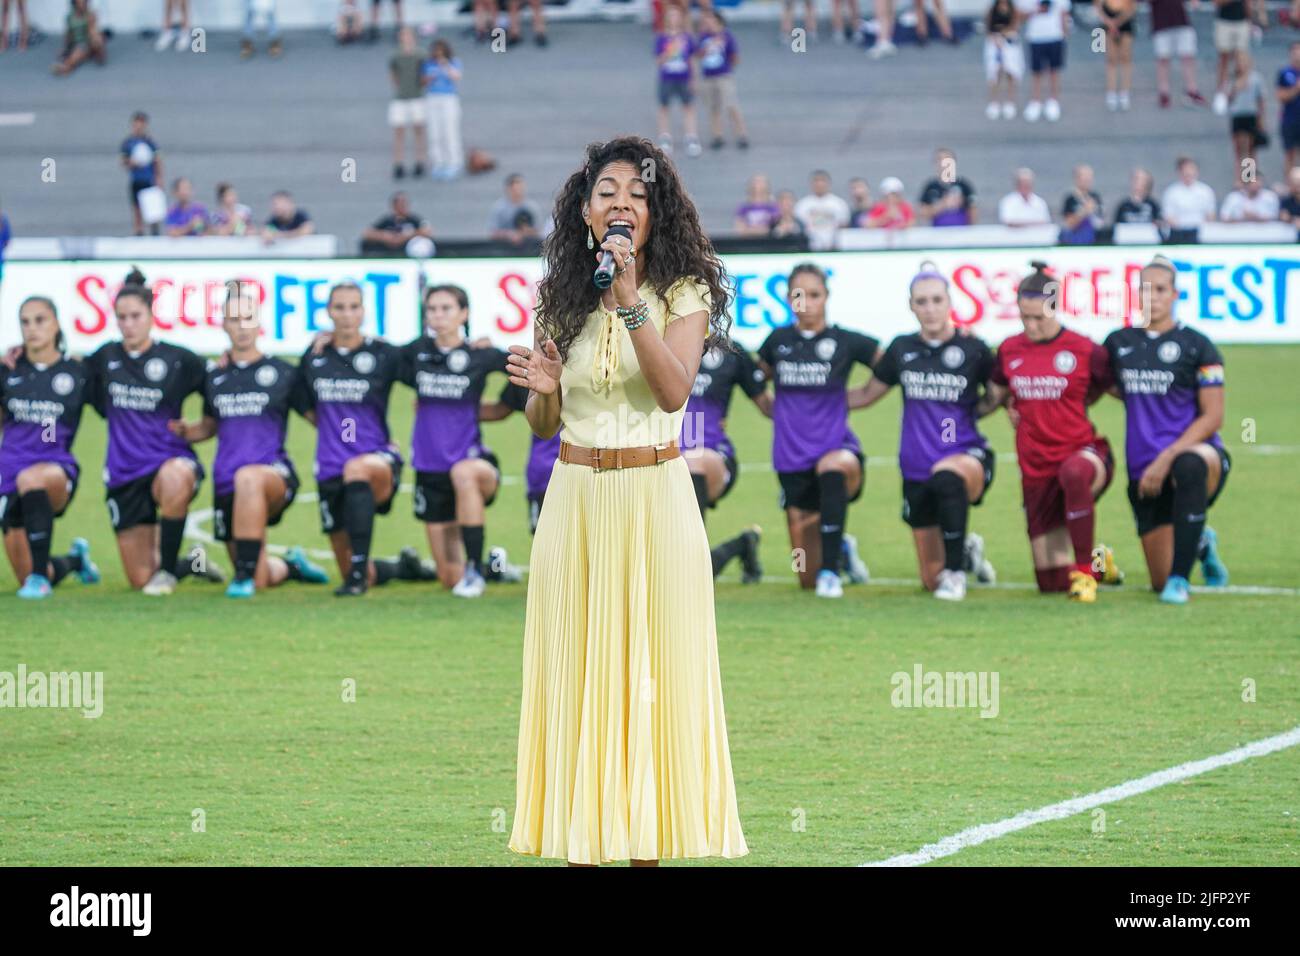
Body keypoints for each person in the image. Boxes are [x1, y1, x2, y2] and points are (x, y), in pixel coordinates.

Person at [507, 136, 747, 865]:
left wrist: (631, 299)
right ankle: (586, 847)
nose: (621, 204)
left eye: (637, 195)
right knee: (579, 683)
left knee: (650, 688)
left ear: (656, 212)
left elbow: (673, 390)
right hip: (573, 501)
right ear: (585, 214)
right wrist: (542, 396)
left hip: (655, 499)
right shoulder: (559, 299)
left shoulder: (685, 293)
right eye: (606, 193)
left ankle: (647, 846)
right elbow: (546, 424)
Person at [168, 285, 328, 597]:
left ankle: (241, 577)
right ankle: (290, 566)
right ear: (223, 325)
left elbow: (319, 419)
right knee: (260, 574)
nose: (241, 326)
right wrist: (186, 431)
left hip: (272, 475)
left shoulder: (283, 373)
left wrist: (356, 432)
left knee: (250, 478)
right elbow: (210, 425)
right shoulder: (215, 376)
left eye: (248, 318)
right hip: (226, 480)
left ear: (259, 323)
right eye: (233, 319)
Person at [850, 265, 998, 601]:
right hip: (915, 465)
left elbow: (997, 395)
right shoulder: (902, 349)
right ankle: (967, 552)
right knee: (931, 579)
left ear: (949, 302)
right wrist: (812, 405)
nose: (930, 308)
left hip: (965, 455)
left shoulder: (974, 349)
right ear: (911, 306)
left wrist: (978, 412)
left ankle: (957, 574)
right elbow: (867, 394)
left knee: (948, 478)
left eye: (936, 300)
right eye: (922, 302)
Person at [982, 261, 1123, 601]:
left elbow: (1118, 389)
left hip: (1083, 453)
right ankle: (1101, 562)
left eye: (1038, 318)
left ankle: (1087, 577)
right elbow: (995, 396)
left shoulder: (1085, 350)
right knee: (1050, 584)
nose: (1030, 325)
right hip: (1035, 467)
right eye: (1024, 317)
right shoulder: (1009, 350)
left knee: (1074, 474)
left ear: (1055, 308)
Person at [1095, 256, 1230, 604]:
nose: (1151, 297)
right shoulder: (1118, 343)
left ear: (1175, 294)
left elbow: (1213, 417)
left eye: (1160, 290)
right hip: (1143, 467)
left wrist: (1168, 456)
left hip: (1196, 456)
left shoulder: (1199, 346)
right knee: (1157, 577)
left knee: (1188, 466)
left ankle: (1180, 583)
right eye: (1144, 290)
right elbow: (1096, 385)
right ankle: (1199, 541)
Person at [83, 268, 225, 594]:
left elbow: (219, 385)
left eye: (135, 316)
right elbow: (78, 388)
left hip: (169, 459)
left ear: (151, 315)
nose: (128, 324)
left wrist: (201, 429)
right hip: (124, 471)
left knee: (175, 478)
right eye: (121, 317)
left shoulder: (178, 359)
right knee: (139, 579)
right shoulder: (104, 358)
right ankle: (191, 562)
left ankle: (169, 576)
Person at [755, 263, 878, 598]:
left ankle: (831, 571)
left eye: (814, 294)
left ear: (827, 297)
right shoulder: (777, 342)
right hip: (790, 457)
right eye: (798, 295)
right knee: (802, 572)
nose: (806, 302)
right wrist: (771, 409)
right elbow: (751, 379)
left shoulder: (846, 341)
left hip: (837, 451)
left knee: (833, 468)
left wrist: (858, 398)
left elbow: (894, 365)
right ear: (786, 298)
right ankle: (840, 550)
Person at [399, 284, 519, 597]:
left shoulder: (480, 354)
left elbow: (520, 374)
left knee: (463, 474)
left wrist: (500, 409)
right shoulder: (416, 352)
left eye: (446, 308)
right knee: (447, 578)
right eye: (433, 309)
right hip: (429, 467)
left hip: (473, 464)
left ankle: (475, 572)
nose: (438, 315)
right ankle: (493, 566)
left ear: (463, 314)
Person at [295, 283, 405, 596]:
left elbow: (426, 367)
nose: (347, 314)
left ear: (364, 311)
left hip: (376, 461)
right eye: (339, 307)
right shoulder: (315, 357)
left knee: (357, 468)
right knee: (355, 568)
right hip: (330, 464)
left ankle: (357, 581)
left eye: (354, 306)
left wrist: (473, 342)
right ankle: (402, 567)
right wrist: (332, 427)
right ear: (328, 312)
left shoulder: (383, 353)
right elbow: (295, 397)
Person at [0, 296, 100, 599]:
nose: (33, 328)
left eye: (40, 320)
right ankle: (73, 560)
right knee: (25, 573)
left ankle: (40, 580)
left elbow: (118, 408)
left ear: (56, 323)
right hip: (9, 474)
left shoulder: (78, 372)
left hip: (55, 470)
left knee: (32, 479)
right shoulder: (8, 370)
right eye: (26, 322)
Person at [680, 343, 766, 582]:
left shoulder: (732, 353)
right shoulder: (654, 339)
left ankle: (690, 560)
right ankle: (741, 544)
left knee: (691, 462)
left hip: (711, 456)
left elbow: (767, 405)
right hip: (661, 452)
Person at [481, 381, 561, 535]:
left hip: (547, 470)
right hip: (547, 473)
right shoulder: (538, 368)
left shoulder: (538, 366)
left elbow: (501, 410)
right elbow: (502, 409)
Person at [695, 9, 748, 150]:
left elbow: (735, 57)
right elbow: (698, 55)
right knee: (713, 107)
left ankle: (741, 134)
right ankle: (717, 135)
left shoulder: (727, 36)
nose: (707, 23)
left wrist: (727, 69)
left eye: (710, 20)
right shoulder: (703, 37)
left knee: (731, 105)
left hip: (723, 76)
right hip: (708, 77)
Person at [655, 4, 701, 158]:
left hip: (684, 77)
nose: (674, 19)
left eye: (676, 16)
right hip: (667, 78)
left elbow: (692, 59)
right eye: (671, 16)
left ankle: (691, 137)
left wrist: (694, 79)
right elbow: (659, 61)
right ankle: (665, 138)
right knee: (664, 108)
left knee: (688, 107)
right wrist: (671, 50)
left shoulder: (687, 37)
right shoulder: (662, 38)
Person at [1017, 0, 1069, 123]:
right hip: (1035, 36)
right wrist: (1034, 10)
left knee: (1054, 71)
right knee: (1036, 72)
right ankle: (1035, 101)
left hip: (1055, 35)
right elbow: (1019, 14)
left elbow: (1064, 13)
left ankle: (1053, 101)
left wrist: (1064, 33)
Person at [1149, 0, 1207, 109]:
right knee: (1163, 58)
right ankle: (1164, 92)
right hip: (1161, 21)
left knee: (1188, 56)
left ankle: (1192, 90)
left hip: (1181, 19)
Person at [1212, 0, 1264, 115]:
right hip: (1224, 22)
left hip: (1242, 22)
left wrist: (1251, 22)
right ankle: (1221, 93)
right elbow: (1216, 3)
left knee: (1241, 60)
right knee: (1224, 59)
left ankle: (1236, 94)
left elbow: (1248, 4)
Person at [423, 39, 464, 180]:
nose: (438, 53)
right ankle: (438, 162)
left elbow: (457, 77)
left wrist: (445, 66)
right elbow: (423, 81)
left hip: (448, 98)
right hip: (433, 98)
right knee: (434, 132)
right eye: (436, 50)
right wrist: (431, 76)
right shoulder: (428, 64)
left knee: (449, 131)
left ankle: (454, 161)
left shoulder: (454, 62)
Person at [389, 26, 427, 180]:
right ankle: (399, 162)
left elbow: (425, 75)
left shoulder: (421, 55)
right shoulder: (395, 55)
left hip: (417, 97)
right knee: (399, 132)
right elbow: (393, 76)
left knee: (419, 131)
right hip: (401, 98)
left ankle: (420, 161)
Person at [121, 112, 162, 237]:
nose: (138, 127)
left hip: (149, 179)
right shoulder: (128, 143)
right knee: (137, 208)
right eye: (136, 124)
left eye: (141, 124)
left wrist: (159, 178)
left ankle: (155, 233)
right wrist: (131, 162)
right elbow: (124, 162)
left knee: (152, 208)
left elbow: (157, 161)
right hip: (136, 180)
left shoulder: (150, 142)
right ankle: (139, 232)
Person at [984, 0, 1024, 120]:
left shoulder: (1013, 8)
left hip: (1009, 43)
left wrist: (1002, 34)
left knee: (1011, 72)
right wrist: (995, 37)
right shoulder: (993, 8)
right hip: (994, 44)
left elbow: (1016, 26)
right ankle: (994, 102)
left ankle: (1010, 102)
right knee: (995, 73)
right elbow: (988, 26)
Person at [1227, 53, 1267, 173]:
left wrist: (1261, 119)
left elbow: (1261, 99)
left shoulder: (1256, 78)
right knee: (1238, 149)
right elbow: (1228, 99)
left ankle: (1249, 177)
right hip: (1237, 115)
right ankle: (1239, 177)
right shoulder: (1233, 78)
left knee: (1250, 148)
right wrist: (1236, 87)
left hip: (1251, 115)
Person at [794, 170, 851, 251]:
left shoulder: (839, 204)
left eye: (822, 180)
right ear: (811, 184)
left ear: (829, 183)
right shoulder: (802, 205)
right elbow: (799, 228)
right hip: (809, 248)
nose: (819, 184)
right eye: (816, 181)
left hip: (834, 248)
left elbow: (844, 226)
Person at [919, 148, 978, 226]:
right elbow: (923, 214)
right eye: (940, 159)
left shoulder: (964, 185)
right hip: (938, 233)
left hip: (962, 232)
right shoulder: (930, 187)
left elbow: (973, 210)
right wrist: (942, 205)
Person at [360, 191, 433, 254]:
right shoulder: (387, 220)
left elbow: (427, 231)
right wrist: (385, 236)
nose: (403, 206)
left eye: (404, 203)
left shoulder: (413, 220)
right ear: (394, 205)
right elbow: (367, 233)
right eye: (400, 204)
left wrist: (406, 236)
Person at [1095, 0, 1135, 111]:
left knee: (1126, 58)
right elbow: (1097, 7)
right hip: (1107, 24)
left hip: (1125, 23)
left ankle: (1124, 92)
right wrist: (1108, 22)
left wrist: (1118, 21)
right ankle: (1111, 92)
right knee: (1110, 60)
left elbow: (1132, 7)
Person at [1161, 157, 1217, 230]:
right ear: (1179, 172)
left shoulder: (1206, 191)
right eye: (1185, 170)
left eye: (1191, 169)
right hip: (1178, 233)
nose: (1189, 172)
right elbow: (1168, 216)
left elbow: (1211, 215)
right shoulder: (1171, 192)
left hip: (1201, 233)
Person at [52, 0, 105, 76]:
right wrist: (65, 49)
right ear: (74, 4)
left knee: (95, 41)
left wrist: (91, 23)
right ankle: (69, 65)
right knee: (76, 52)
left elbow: (93, 33)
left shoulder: (91, 15)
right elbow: (69, 34)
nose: (83, 5)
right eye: (80, 3)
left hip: (88, 42)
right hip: (77, 43)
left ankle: (67, 66)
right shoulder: (69, 17)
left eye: (85, 3)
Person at [488, 174, 543, 247]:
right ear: (508, 189)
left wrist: (525, 233)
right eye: (514, 188)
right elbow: (493, 233)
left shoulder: (532, 207)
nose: (518, 190)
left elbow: (539, 231)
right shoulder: (499, 208)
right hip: (503, 249)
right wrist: (509, 235)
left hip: (529, 248)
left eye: (520, 187)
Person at [1059, 164, 1104, 245]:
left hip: (1094, 240)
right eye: (1084, 177)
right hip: (1075, 240)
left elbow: (1100, 222)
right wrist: (1084, 212)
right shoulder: (1070, 199)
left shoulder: (1095, 197)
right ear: (1077, 179)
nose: (1087, 180)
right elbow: (1068, 224)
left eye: (1089, 177)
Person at [1279, 41, 1300, 179]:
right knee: (1289, 153)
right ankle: (1290, 184)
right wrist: (1296, 89)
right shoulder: (1285, 73)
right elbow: (1281, 96)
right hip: (1290, 119)